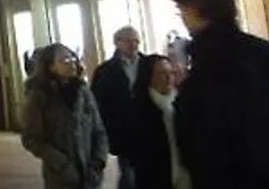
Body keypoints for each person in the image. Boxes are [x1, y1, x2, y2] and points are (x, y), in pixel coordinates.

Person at [167, 0, 269, 188]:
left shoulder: (208, 68)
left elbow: (207, 148)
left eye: (181, 9)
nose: (182, 18)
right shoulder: (260, 50)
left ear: (196, 8)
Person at [21, 43, 108, 189]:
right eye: (64, 60)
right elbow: (31, 139)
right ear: (51, 66)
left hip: (91, 174)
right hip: (61, 176)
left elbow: (99, 130)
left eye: (73, 59)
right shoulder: (39, 97)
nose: (72, 63)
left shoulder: (83, 92)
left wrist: (98, 161)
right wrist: (62, 165)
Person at [125, 54, 188, 189]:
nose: (168, 78)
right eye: (162, 73)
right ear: (149, 76)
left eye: (171, 73)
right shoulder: (139, 108)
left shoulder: (181, 102)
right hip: (154, 177)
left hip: (184, 175)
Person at [90, 26, 142, 189]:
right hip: (123, 130)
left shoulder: (148, 64)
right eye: (128, 41)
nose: (133, 45)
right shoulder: (105, 71)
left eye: (136, 41)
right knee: (128, 173)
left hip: (149, 127)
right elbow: (97, 102)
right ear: (117, 43)